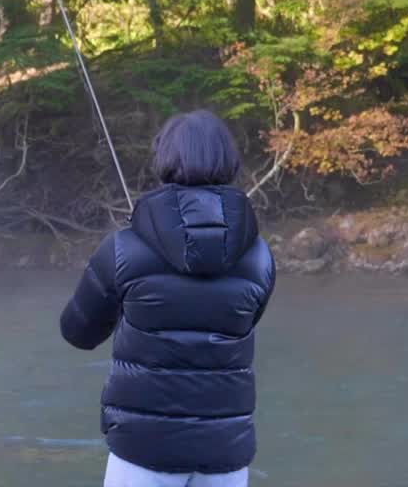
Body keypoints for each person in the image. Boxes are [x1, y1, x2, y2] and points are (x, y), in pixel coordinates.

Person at [59, 109, 276, 487]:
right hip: (225, 456)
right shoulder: (259, 256)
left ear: (165, 159)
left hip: (143, 452)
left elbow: (78, 332)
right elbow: (241, 324)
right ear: (229, 162)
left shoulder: (122, 248)